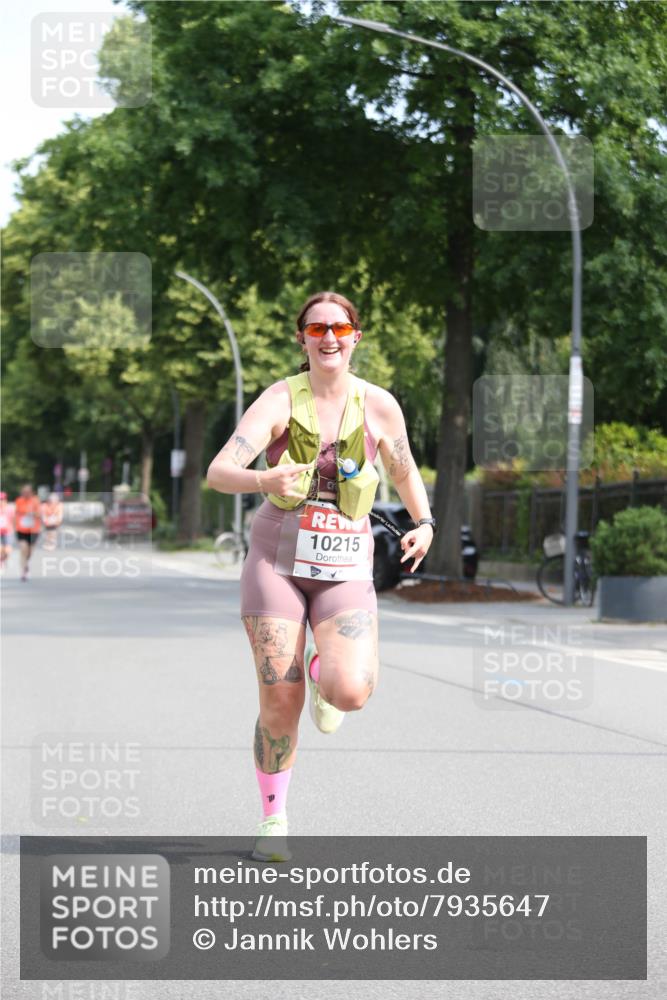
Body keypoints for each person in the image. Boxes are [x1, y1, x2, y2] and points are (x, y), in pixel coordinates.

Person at [207, 291, 436, 861]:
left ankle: (321, 670)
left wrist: (425, 522)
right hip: (276, 561)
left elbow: (403, 468)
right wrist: (264, 480)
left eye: (339, 327)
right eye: (316, 329)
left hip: (346, 563)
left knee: (350, 691)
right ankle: (274, 819)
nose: (328, 337)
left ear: (356, 335)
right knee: (278, 699)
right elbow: (219, 471)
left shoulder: (378, 405)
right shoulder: (279, 399)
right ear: (302, 338)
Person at [14, 484, 42, 581]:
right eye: (23, 492)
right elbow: (16, 513)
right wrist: (14, 526)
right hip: (21, 529)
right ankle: (23, 571)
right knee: (23, 549)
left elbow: (39, 514)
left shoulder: (36, 501)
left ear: (31, 492)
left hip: (33, 530)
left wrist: (33, 513)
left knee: (29, 552)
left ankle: (26, 563)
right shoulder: (19, 500)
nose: (25, 494)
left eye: (27, 492)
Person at [0, 492, 14, 572]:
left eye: (2, 499)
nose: (1, 501)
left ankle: (3, 559)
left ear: (5, 500)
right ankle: (1, 561)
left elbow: (14, 519)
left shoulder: (10, 509)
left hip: (8, 531)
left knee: (8, 550)